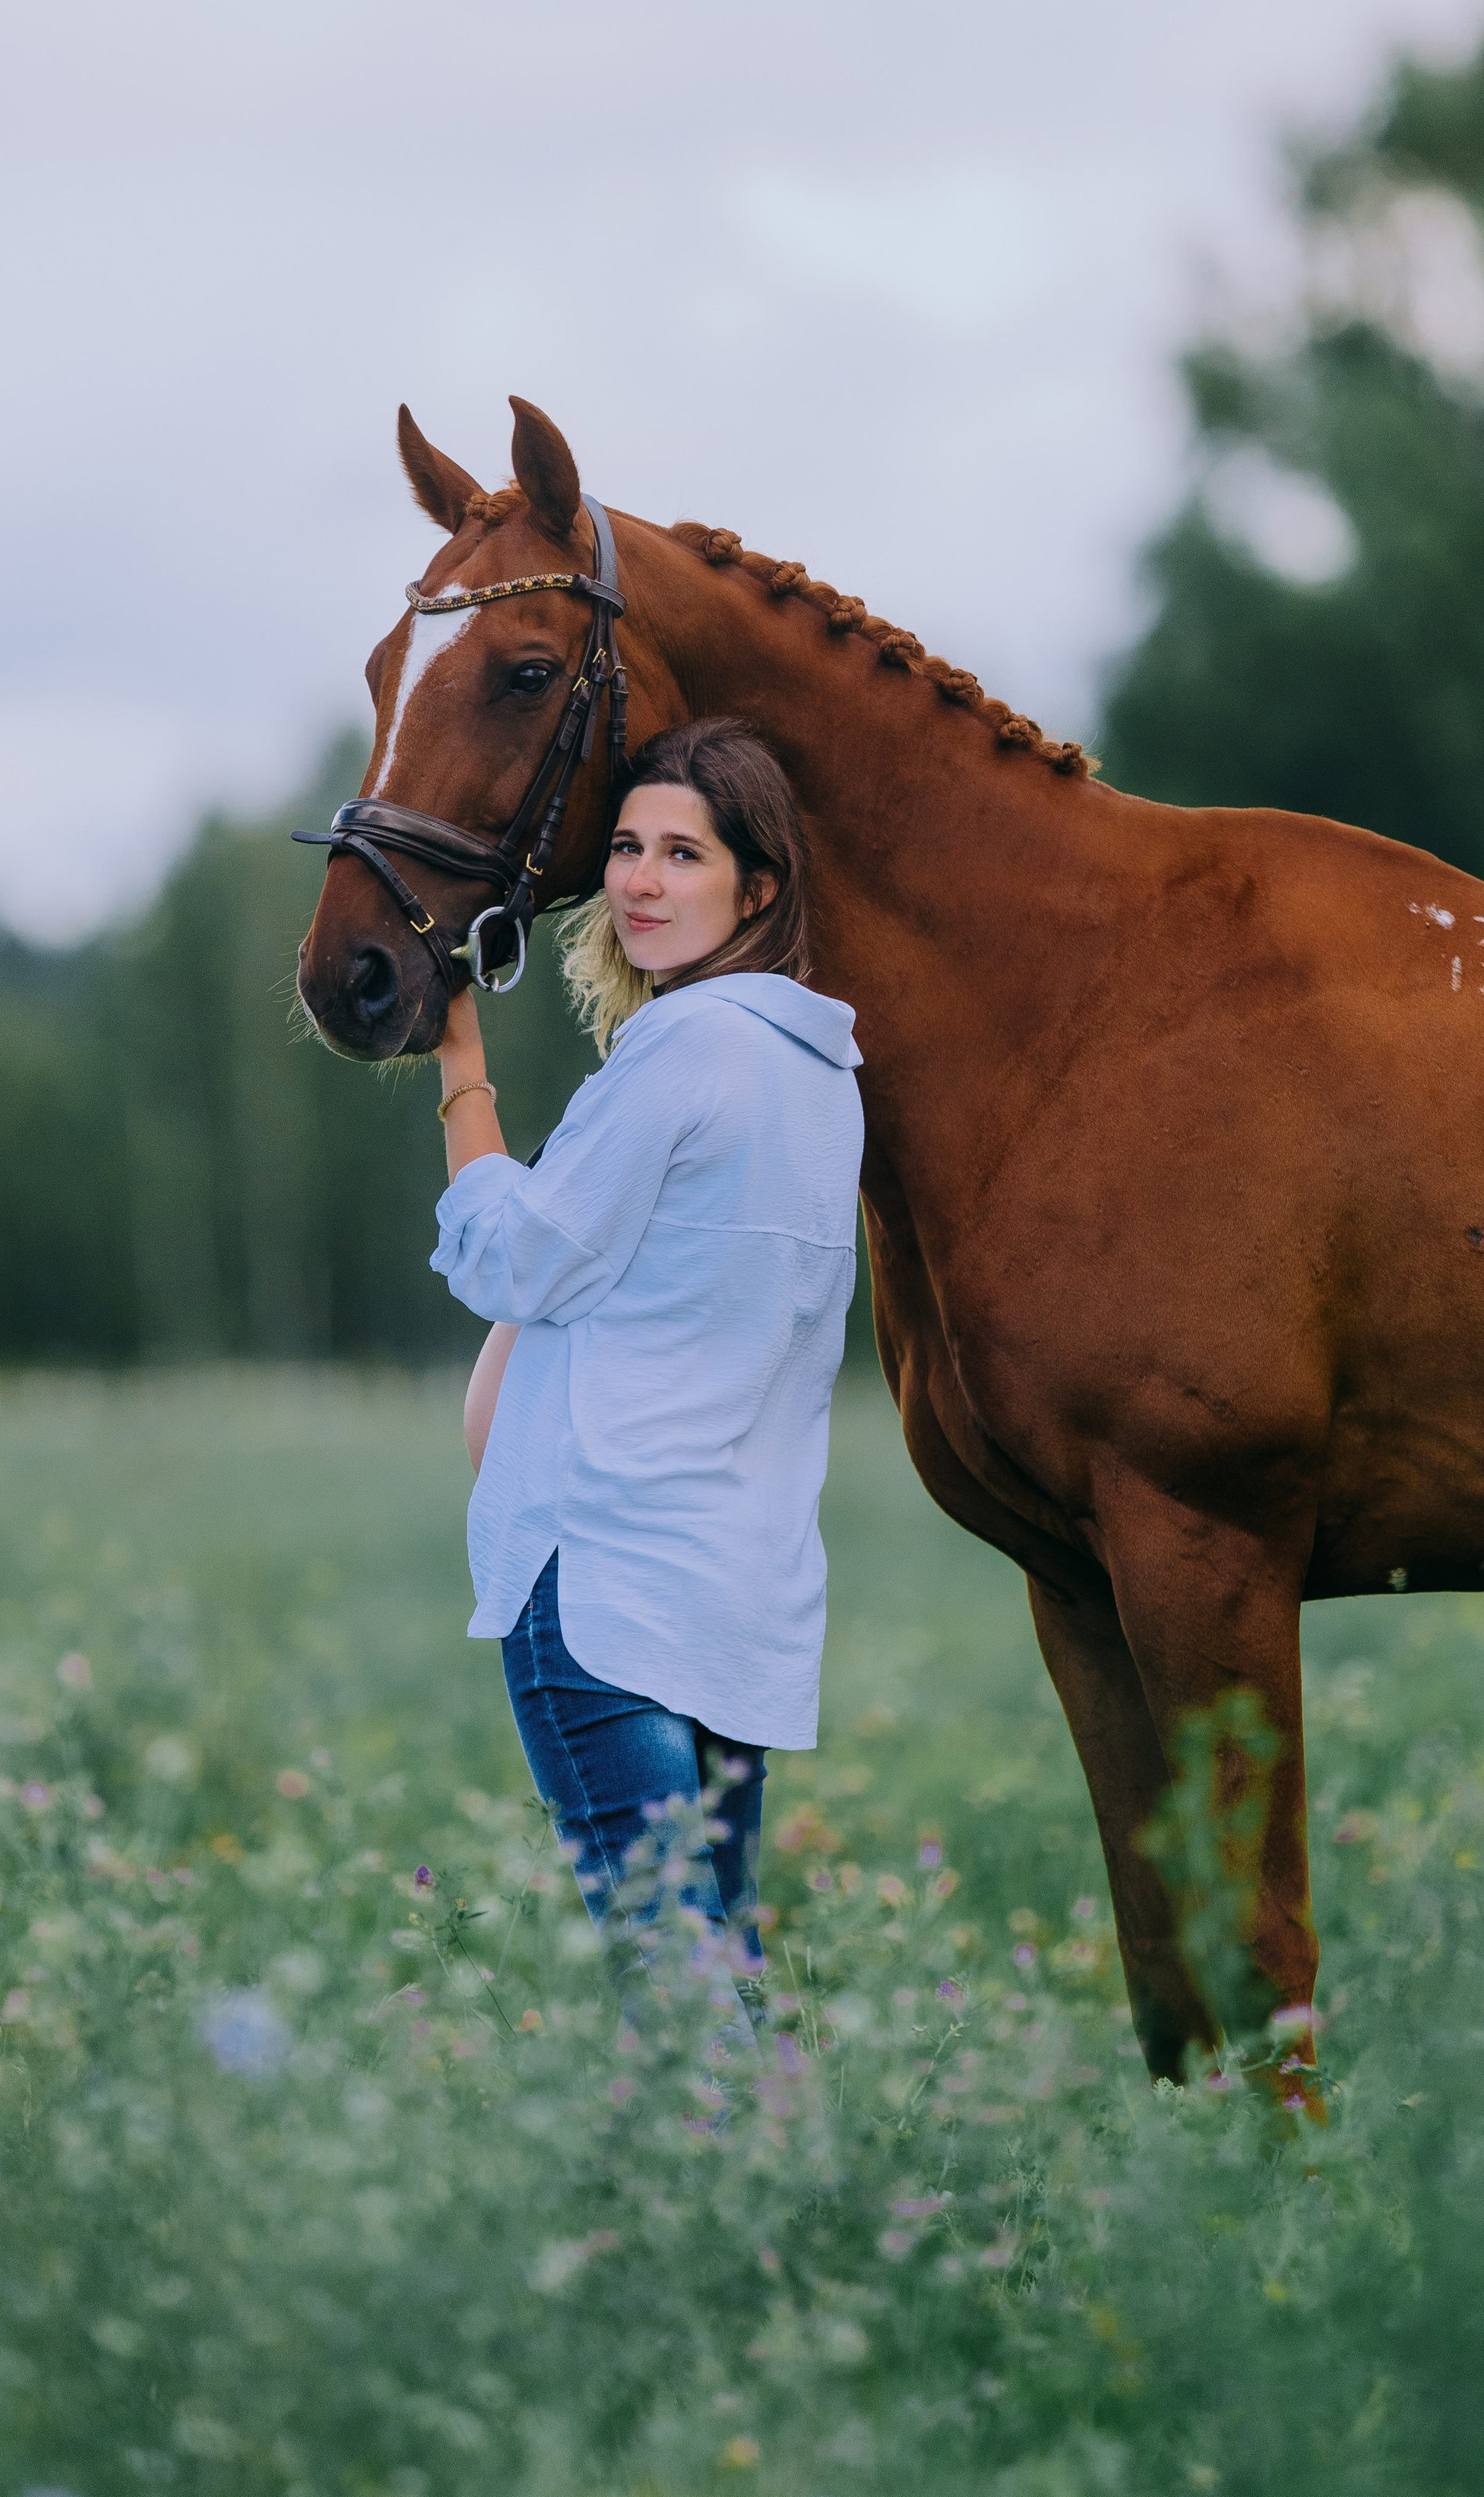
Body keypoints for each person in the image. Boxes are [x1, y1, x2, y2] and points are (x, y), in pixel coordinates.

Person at [429, 717, 865, 2032]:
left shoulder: (685, 1049)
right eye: (626, 848)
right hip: (734, 1591)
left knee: (673, 1990)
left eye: (685, 853)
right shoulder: (823, 1072)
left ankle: (732, 2224)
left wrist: (461, 1072)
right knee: (714, 1956)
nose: (640, 882)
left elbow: (516, 1259)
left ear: (760, 886)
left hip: (607, 1583)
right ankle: (784, 2220)